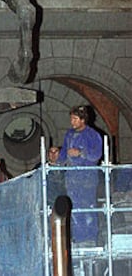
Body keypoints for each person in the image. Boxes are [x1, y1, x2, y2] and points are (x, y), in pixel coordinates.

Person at [57, 105, 103, 245]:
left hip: (87, 177)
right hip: (72, 178)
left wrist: (81, 153)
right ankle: (78, 237)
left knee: (88, 207)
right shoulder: (69, 135)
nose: (72, 122)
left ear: (83, 120)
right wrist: (58, 163)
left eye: (75, 119)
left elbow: (96, 154)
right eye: (71, 119)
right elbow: (64, 153)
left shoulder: (93, 135)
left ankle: (89, 238)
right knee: (75, 209)